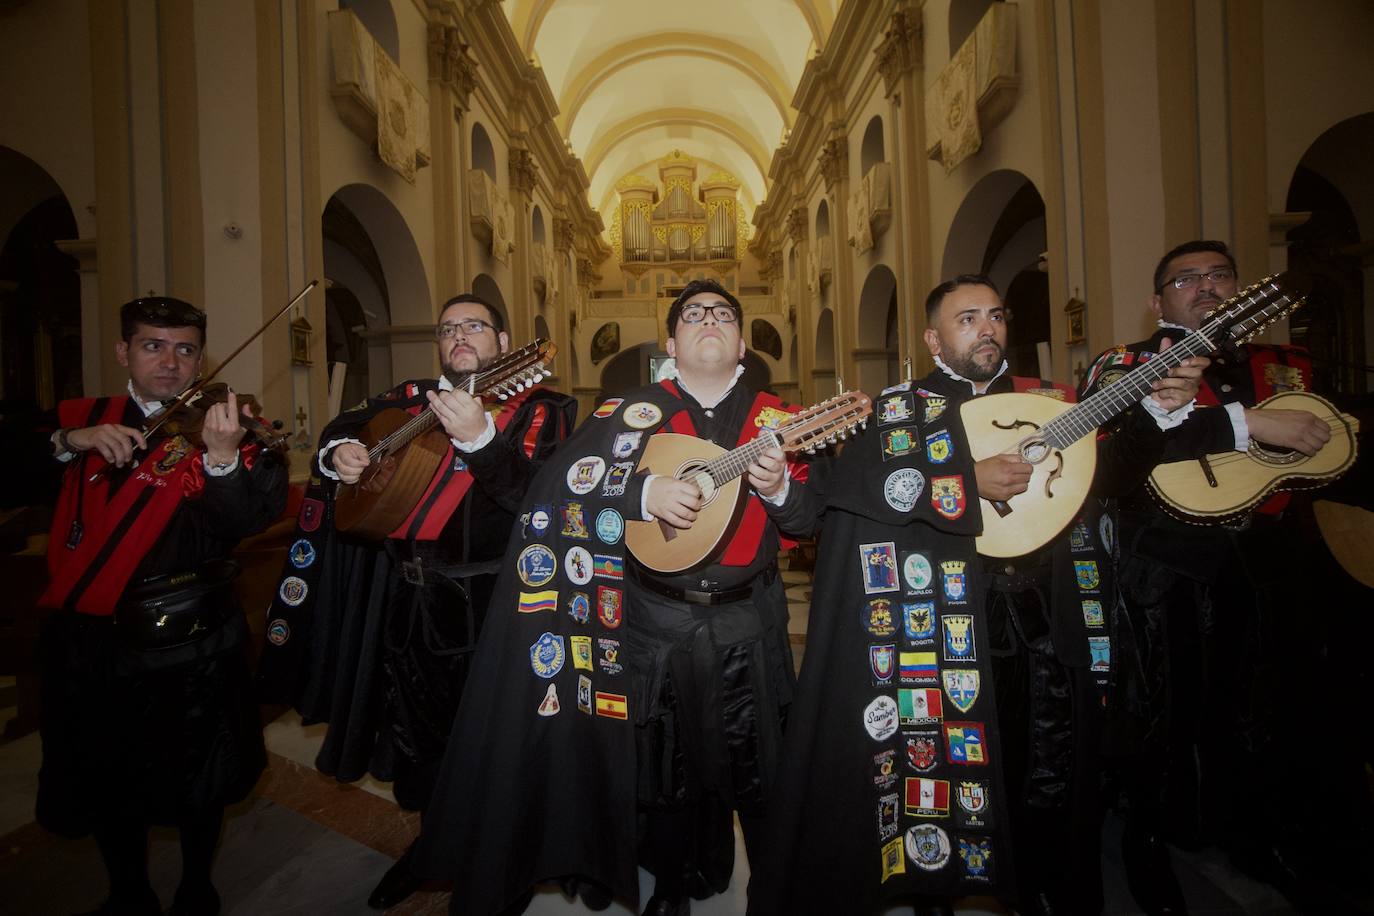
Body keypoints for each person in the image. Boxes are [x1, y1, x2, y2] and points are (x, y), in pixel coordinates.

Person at [747, 275, 1205, 916]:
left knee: (1042, 767)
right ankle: (937, 886)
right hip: (946, 621)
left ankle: (1038, 887)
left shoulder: (1048, 401)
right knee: (945, 769)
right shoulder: (897, 411)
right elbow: (839, 500)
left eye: (996, 315)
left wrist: (1157, 414)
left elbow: (1109, 478)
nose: (987, 328)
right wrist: (967, 479)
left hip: (1045, 616)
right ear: (935, 338)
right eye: (968, 319)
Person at [410, 278, 826, 916]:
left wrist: (776, 492)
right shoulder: (627, 414)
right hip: (653, 618)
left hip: (751, 618)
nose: (708, 320)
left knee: (762, 763)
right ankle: (672, 885)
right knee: (664, 766)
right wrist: (639, 495)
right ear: (671, 342)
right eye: (693, 314)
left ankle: (776, 889)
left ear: (742, 342)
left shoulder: (782, 420)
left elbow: (810, 521)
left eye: (722, 314)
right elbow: (549, 492)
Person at [256, 293, 575, 910]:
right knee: (418, 737)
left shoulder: (548, 410)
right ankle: (430, 850)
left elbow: (543, 502)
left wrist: (482, 439)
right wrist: (339, 454)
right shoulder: (407, 399)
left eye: (474, 326)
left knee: (496, 741)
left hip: (494, 602)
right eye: (449, 327)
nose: (460, 335)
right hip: (404, 599)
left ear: (504, 344)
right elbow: (341, 428)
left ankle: (498, 866)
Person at [1080, 240, 1368, 914]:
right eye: (1186, 279)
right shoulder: (1127, 366)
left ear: (1241, 287)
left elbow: (1314, 450)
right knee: (1160, 718)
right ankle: (1145, 846)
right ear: (1158, 301)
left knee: (1262, 713)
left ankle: (1256, 839)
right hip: (1167, 563)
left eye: (1219, 276)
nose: (1206, 288)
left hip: (1268, 561)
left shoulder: (1285, 365)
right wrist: (1250, 424)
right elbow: (1113, 457)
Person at [29, 296, 287, 916]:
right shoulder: (86, 420)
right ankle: (128, 893)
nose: (170, 363)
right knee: (105, 775)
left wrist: (222, 459)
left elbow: (249, 518)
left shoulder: (228, 427)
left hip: (192, 639)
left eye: (185, 349)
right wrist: (70, 440)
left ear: (202, 358)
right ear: (124, 351)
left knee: (199, 778)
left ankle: (197, 887)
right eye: (153, 346)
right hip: (95, 643)